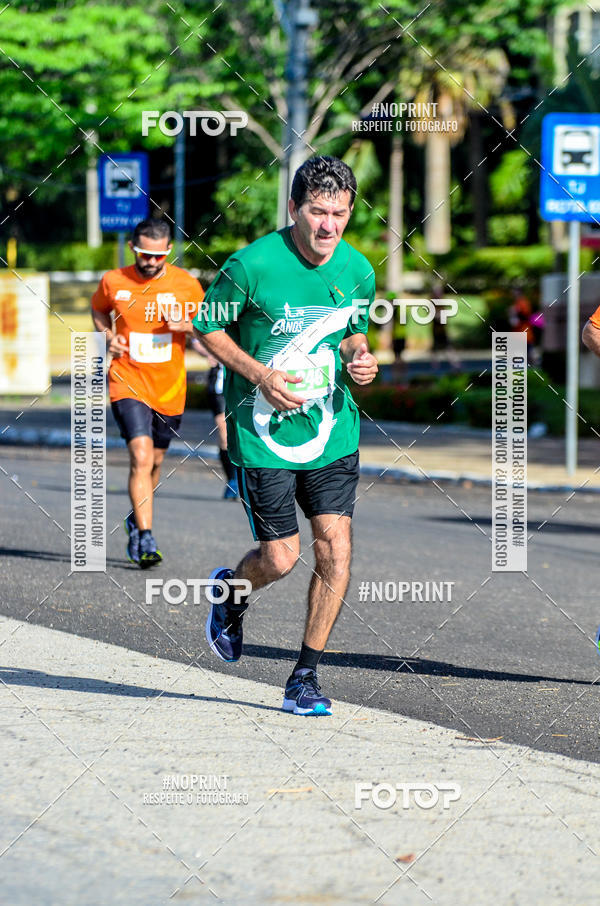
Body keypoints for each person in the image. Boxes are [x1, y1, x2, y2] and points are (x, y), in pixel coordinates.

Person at [193, 155, 378, 716]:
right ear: (293, 208)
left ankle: (305, 676)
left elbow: (353, 332)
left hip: (332, 433)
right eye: (318, 212)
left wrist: (361, 356)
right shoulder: (251, 265)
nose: (329, 227)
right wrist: (261, 376)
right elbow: (207, 327)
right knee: (280, 558)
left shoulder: (358, 269)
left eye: (340, 215)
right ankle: (230, 592)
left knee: (335, 551)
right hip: (262, 434)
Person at [91, 218, 204, 567]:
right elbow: (98, 309)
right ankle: (145, 535)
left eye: (158, 256)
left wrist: (185, 326)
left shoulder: (186, 285)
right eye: (144, 255)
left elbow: (208, 326)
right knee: (140, 457)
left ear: (168, 251)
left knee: (154, 462)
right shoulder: (114, 281)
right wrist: (108, 336)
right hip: (127, 379)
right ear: (132, 248)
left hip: (169, 388)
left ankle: (136, 518)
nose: (151, 262)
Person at [190, 336, 239, 498]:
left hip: (243, 384)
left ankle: (246, 477)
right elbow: (196, 340)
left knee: (242, 432)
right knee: (224, 431)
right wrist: (211, 352)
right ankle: (232, 479)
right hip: (219, 385)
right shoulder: (216, 312)